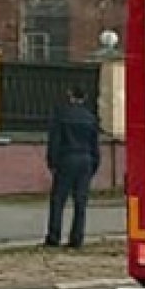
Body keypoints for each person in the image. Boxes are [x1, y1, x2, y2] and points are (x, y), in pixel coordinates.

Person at [45, 86, 102, 248]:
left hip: (66, 159)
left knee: (58, 200)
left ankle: (53, 237)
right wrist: (94, 164)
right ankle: (77, 238)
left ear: (70, 95)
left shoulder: (61, 115)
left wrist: (52, 162)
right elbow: (95, 145)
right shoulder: (90, 118)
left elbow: (55, 141)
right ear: (84, 98)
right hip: (85, 160)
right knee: (80, 201)